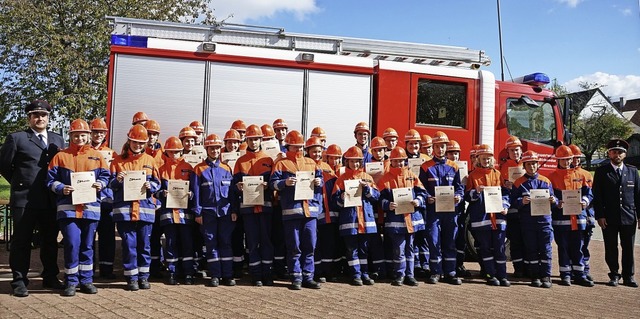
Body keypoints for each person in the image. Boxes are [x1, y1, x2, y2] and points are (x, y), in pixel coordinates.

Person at [0, 99, 65, 297]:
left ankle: (50, 276)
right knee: (21, 241)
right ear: (29, 118)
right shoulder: (17, 138)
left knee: (50, 240)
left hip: (49, 199)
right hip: (25, 199)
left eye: (43, 115)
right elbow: (4, 166)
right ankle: (19, 280)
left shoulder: (57, 140)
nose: (40, 118)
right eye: (36, 115)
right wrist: (20, 183)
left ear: (48, 118)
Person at [46, 119, 110, 296]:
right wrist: (61, 188)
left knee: (88, 245)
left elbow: (106, 176)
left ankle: (86, 280)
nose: (79, 138)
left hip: (91, 208)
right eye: (76, 135)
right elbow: (50, 180)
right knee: (72, 244)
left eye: (83, 135)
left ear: (88, 136)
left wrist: (101, 184)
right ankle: (71, 281)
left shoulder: (97, 156)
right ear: (70, 136)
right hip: (68, 209)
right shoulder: (60, 156)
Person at [270, 130, 323, 290]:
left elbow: (320, 188)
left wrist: (319, 182)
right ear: (288, 147)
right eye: (295, 147)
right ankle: (296, 277)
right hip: (291, 212)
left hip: (310, 212)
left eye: (300, 147)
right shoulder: (281, 164)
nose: (298, 150)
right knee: (294, 247)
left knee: (310, 245)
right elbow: (272, 184)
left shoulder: (311, 163)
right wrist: (284, 183)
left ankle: (308, 277)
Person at [109, 124, 161, 291]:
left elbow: (157, 183)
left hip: (145, 210)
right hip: (125, 211)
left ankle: (144, 277)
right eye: (134, 142)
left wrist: (150, 185)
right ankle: (131, 277)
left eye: (141, 143)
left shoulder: (150, 161)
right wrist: (117, 180)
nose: (137, 145)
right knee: (129, 245)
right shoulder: (117, 161)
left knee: (144, 245)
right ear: (129, 141)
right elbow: (109, 184)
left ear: (145, 144)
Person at [231, 125, 275, 286]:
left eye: (256, 139)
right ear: (247, 140)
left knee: (266, 241)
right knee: (252, 242)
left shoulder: (268, 160)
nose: (254, 142)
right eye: (251, 139)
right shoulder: (240, 162)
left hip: (265, 208)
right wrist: (238, 187)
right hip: (248, 209)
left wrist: (268, 186)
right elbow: (234, 186)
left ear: (261, 140)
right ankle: (256, 275)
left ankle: (267, 274)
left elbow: (274, 183)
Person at [592, 138, 640, 288]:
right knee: (611, 247)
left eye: (620, 152)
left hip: (629, 216)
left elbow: (638, 195)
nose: (617, 154)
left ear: (624, 155)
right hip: (609, 217)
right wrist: (599, 215)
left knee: (628, 248)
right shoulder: (601, 172)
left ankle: (628, 276)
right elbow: (597, 196)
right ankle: (614, 274)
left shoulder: (632, 171)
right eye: (614, 152)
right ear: (609, 154)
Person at [191, 134, 236, 287]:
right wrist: (197, 212)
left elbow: (232, 194)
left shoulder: (226, 168)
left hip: (225, 213)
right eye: (212, 148)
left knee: (226, 242)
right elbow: (196, 193)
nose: (215, 151)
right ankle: (215, 275)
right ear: (207, 149)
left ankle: (228, 275)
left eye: (217, 148)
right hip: (208, 213)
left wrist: (234, 210)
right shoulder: (199, 169)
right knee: (211, 243)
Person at [420, 131, 464, 285]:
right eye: (437, 147)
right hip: (433, 211)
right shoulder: (425, 167)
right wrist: (427, 197)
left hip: (451, 211)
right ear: (433, 147)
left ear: (446, 147)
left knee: (450, 241)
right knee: (433, 241)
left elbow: (459, 188)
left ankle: (450, 272)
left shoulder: (454, 166)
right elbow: (421, 188)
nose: (440, 150)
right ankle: (435, 272)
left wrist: (459, 196)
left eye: (443, 146)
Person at [332, 146, 380, 286]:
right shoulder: (341, 179)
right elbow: (334, 203)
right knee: (351, 250)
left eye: (358, 161)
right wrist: (341, 197)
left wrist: (367, 189)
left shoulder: (367, 177)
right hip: (350, 221)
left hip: (365, 221)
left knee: (364, 250)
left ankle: (364, 274)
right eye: (352, 161)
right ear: (347, 162)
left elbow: (376, 197)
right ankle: (355, 275)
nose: (355, 164)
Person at [464, 144, 510, 287]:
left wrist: (505, 206)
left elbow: (505, 194)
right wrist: (476, 191)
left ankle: (502, 275)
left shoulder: (497, 174)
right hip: (481, 219)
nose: (486, 161)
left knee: (499, 248)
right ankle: (490, 275)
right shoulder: (472, 176)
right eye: (483, 158)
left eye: (488, 158)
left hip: (498, 218)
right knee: (485, 248)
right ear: (478, 159)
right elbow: (467, 196)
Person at [548, 145, 594, 287]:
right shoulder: (552, 177)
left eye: (568, 159)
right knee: (563, 248)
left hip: (578, 218)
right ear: (558, 160)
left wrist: (585, 201)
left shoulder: (580, 176)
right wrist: (556, 202)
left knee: (578, 248)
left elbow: (589, 194)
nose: (567, 162)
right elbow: (550, 196)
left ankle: (580, 275)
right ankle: (565, 275)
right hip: (561, 220)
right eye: (563, 160)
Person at [512, 150, 556, 288]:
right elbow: (513, 201)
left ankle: (546, 275)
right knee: (531, 248)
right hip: (527, 222)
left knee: (545, 248)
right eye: (529, 164)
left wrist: (553, 200)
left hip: (544, 221)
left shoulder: (545, 181)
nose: (532, 167)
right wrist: (521, 201)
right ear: (524, 165)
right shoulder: (519, 183)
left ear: (538, 165)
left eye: (534, 164)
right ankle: (534, 275)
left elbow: (555, 199)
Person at [155, 136, 195, 285]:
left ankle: (188, 273)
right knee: (171, 243)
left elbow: (194, 188)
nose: (174, 155)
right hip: (168, 213)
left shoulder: (188, 168)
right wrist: (161, 194)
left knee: (187, 242)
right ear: (166, 152)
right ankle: (172, 272)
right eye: (171, 152)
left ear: (181, 151)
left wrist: (192, 194)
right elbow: (155, 190)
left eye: (176, 152)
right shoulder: (161, 169)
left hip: (185, 213)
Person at [306, 137, 340, 283]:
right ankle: (317, 272)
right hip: (313, 211)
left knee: (329, 243)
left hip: (329, 213)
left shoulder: (327, 167)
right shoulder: (305, 166)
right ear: (308, 151)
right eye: (314, 151)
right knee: (315, 244)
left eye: (319, 151)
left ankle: (329, 271)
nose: (317, 154)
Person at [89, 118, 118, 279]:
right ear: (90, 133)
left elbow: (114, 175)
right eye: (95, 132)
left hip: (107, 200)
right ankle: (89, 269)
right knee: (89, 236)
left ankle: (107, 270)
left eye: (101, 132)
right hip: (88, 199)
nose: (98, 135)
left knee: (107, 236)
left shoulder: (111, 153)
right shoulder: (84, 151)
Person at [499, 136, 526, 278]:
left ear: (521, 150)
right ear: (507, 152)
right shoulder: (503, 167)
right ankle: (519, 268)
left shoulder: (526, 164)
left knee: (527, 239)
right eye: (512, 150)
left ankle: (528, 267)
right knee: (515, 240)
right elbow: (500, 187)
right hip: (512, 209)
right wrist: (506, 185)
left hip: (527, 209)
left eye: (517, 150)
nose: (515, 153)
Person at [569, 144, 596, 281]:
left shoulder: (586, 175)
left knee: (583, 245)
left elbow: (591, 195)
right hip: (569, 217)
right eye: (573, 158)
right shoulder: (564, 175)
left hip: (585, 215)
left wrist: (586, 204)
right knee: (571, 245)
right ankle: (572, 270)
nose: (576, 161)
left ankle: (584, 270)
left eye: (578, 158)